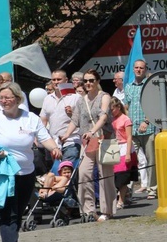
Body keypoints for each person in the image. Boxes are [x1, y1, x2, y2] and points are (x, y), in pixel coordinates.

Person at [0, 82, 62, 242]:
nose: (4, 101)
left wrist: (54, 148)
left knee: (19, 211)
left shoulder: (30, 118)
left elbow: (44, 137)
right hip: (5, 174)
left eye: (8, 97)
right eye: (1, 98)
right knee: (9, 213)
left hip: (26, 173)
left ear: (18, 99)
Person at [63, 69, 116, 221]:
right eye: (85, 81)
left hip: (103, 138)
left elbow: (104, 117)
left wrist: (93, 130)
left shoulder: (104, 96)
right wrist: (66, 134)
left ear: (97, 81)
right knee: (84, 173)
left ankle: (107, 210)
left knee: (104, 175)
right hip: (88, 141)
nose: (88, 83)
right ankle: (88, 210)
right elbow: (75, 120)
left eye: (91, 80)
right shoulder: (81, 100)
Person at [123, 59, 157, 199]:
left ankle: (152, 189)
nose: (138, 70)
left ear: (145, 69)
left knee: (151, 160)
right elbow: (126, 107)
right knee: (129, 160)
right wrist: (127, 122)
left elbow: (155, 105)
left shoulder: (150, 86)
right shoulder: (129, 86)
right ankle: (126, 191)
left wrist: (147, 121)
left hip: (147, 129)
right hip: (133, 130)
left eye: (141, 68)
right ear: (133, 69)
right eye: (136, 67)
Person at [42, 69, 81, 162]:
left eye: (59, 79)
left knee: (67, 172)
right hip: (54, 144)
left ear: (66, 80)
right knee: (57, 174)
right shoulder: (47, 98)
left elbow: (82, 120)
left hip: (71, 142)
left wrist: (72, 114)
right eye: (54, 79)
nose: (56, 82)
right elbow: (43, 120)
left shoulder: (76, 97)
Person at [110, 97, 136, 210]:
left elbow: (129, 136)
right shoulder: (111, 119)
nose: (111, 112)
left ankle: (121, 200)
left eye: (112, 109)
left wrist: (128, 154)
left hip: (124, 147)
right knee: (114, 176)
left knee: (122, 176)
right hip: (114, 147)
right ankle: (123, 194)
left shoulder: (125, 119)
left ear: (118, 107)